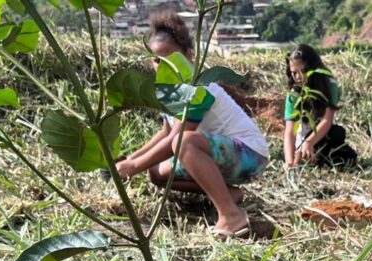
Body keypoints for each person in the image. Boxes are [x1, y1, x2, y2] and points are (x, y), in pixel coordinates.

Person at [115, 11, 270, 239]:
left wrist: (133, 166)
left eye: (171, 58)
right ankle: (228, 194)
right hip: (220, 156)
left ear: (189, 56)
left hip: (250, 155)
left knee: (184, 143)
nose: (164, 66)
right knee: (157, 172)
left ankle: (231, 215)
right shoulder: (171, 93)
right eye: (158, 60)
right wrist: (130, 161)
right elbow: (165, 132)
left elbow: (177, 139)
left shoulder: (197, 87)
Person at [282, 44, 358, 168]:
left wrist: (310, 142)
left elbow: (327, 120)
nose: (298, 77)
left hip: (320, 136)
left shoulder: (329, 86)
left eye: (303, 71)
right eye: (294, 73)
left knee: (341, 142)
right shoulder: (294, 96)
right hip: (303, 142)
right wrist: (289, 163)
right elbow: (290, 131)